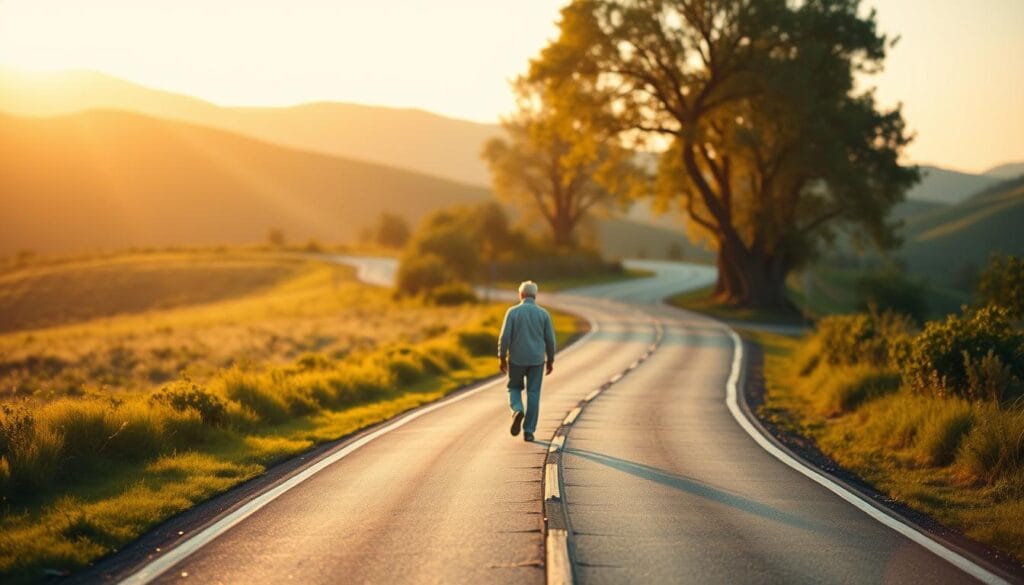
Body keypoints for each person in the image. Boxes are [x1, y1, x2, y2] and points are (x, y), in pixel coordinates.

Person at [498, 280, 556, 442]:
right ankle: (529, 431)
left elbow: (504, 338)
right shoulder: (543, 314)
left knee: (514, 387)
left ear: (521, 295)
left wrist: (501, 357)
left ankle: (517, 410)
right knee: (533, 393)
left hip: (516, 359)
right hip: (537, 360)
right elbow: (550, 340)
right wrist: (550, 359)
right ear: (535, 296)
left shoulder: (512, 312)